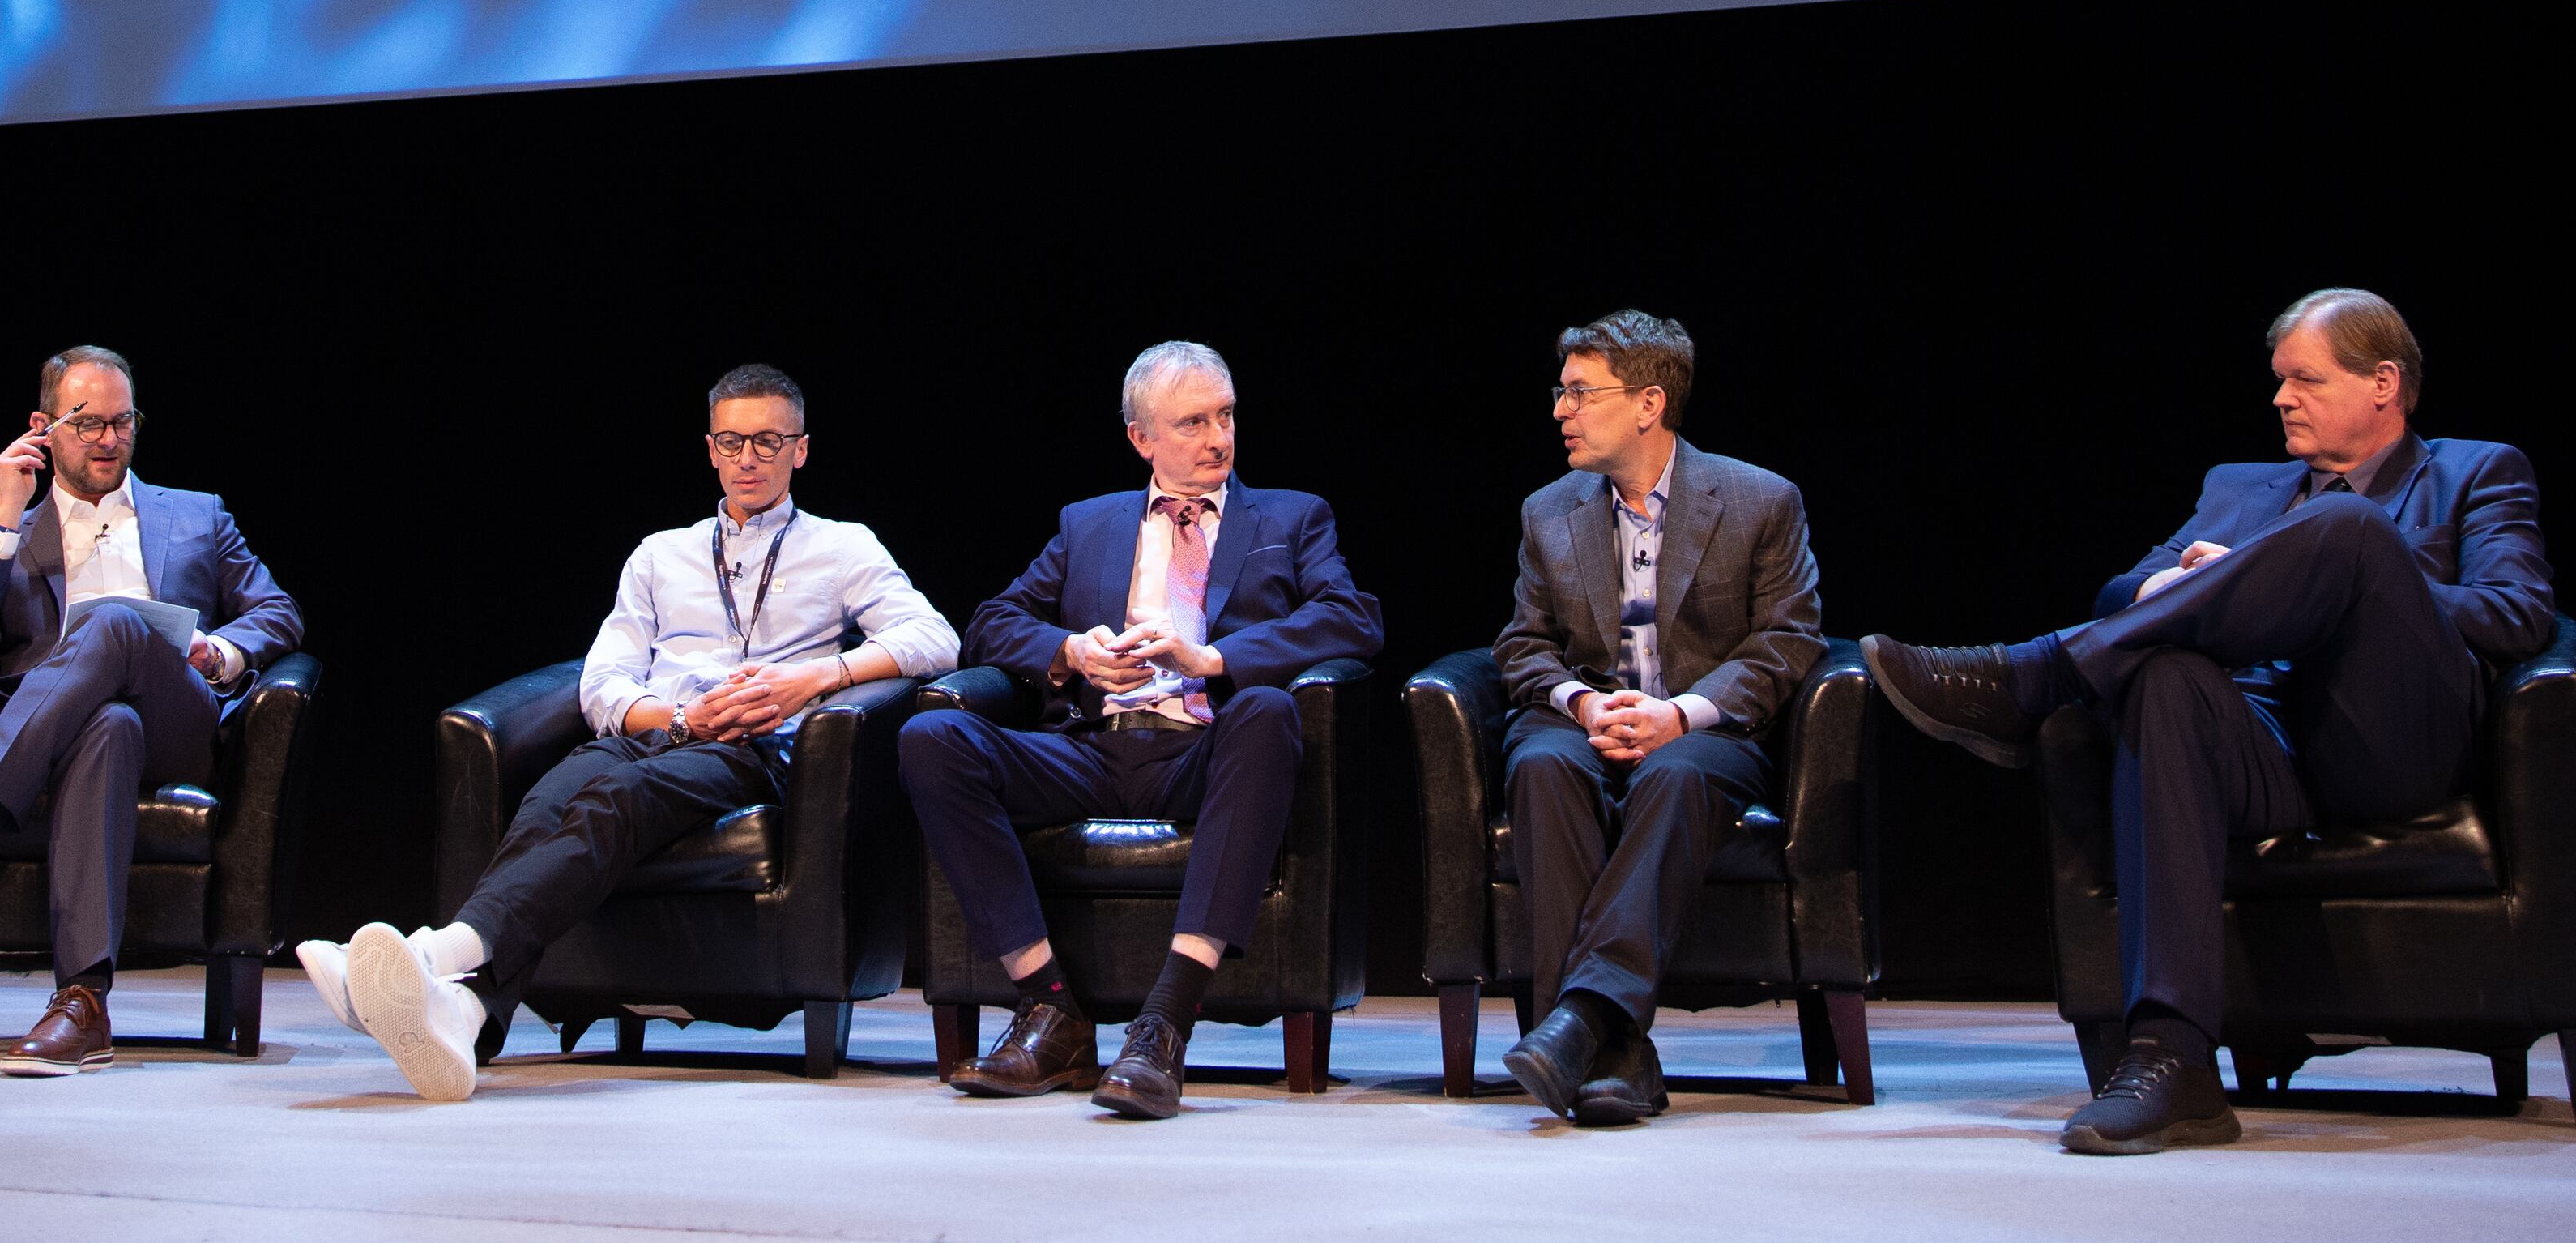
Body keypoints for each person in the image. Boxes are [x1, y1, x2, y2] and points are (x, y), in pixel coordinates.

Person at [1859, 288, 2556, 1156]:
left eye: (2304, 379)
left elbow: (2518, 614)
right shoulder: (2238, 487)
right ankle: (2172, 1060)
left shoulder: (2476, 471)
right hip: (2260, 750)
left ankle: (2035, 673)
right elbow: (2121, 592)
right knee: (2165, 679)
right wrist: (2180, 584)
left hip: (2388, 747)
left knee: (2348, 528)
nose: (2281, 398)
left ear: (2383, 383)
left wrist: (2354, 572)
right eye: (2278, 380)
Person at [305, 364, 959, 1101]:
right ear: (710, 448)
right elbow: (603, 681)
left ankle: (433, 957)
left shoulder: (843, 547)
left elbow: (934, 638)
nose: (748, 457)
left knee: (612, 800)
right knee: (547, 801)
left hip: (753, 746)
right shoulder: (660, 554)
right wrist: (680, 717)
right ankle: (466, 1012)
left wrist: (810, 678)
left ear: (800, 449)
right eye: (732, 441)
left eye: (768, 441)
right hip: (666, 727)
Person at [899, 341, 1385, 1118]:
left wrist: (1214, 658)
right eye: (1193, 422)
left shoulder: (1291, 516)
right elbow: (992, 620)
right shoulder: (1089, 523)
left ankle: (1164, 1023)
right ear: (1142, 437)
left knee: (1268, 710)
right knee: (930, 738)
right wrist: (1073, 651)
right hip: (1090, 749)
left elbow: (1353, 619)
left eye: (1226, 415)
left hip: (1204, 751)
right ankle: (1050, 1007)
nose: (1219, 438)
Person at [0, 347, 301, 1079]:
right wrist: (4, 514)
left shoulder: (197, 513)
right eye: (88, 422)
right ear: (44, 427)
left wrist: (219, 651)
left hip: (177, 724)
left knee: (118, 620)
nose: (108, 439)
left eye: (123, 422)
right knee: (107, 725)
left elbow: (278, 610)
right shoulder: (4, 535)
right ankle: (83, 1004)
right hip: (59, 740)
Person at [1488, 310, 1825, 1126]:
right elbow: (1523, 644)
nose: (1560, 410)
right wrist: (1581, 701)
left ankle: (1577, 1023)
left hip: (1702, 731)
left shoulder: (1759, 499)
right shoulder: (1548, 511)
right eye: (1560, 391)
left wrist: (1678, 713)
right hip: (1580, 720)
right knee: (1540, 764)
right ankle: (1614, 1053)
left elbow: (1788, 639)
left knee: (1675, 775)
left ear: (1648, 403)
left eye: (1579, 392)